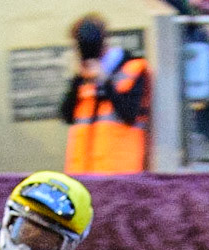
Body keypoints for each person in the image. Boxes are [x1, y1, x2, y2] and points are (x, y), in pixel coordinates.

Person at [61, 13, 149, 175]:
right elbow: (66, 115)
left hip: (119, 173)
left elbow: (129, 114)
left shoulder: (134, 68)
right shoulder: (83, 77)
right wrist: (77, 79)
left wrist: (105, 82)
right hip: (83, 174)